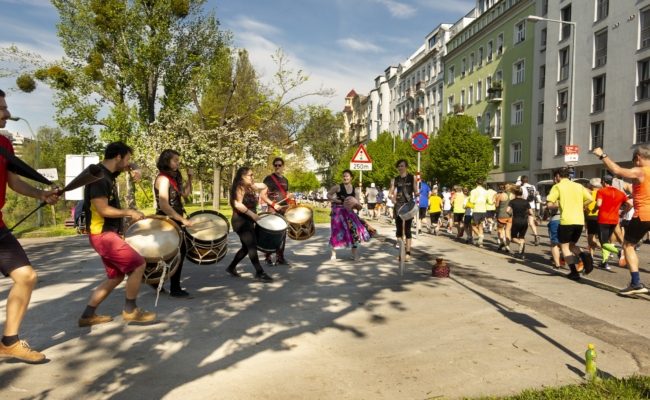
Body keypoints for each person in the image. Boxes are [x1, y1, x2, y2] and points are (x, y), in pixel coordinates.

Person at [0, 89, 60, 363]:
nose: (8, 114)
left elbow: (13, 182)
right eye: (2, 109)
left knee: (26, 276)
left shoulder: (5, 145)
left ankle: (9, 342)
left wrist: (41, 193)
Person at [78, 141, 156, 328]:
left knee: (116, 277)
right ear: (118, 157)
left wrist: (135, 168)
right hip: (103, 235)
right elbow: (102, 209)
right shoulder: (99, 178)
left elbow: (129, 166)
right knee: (138, 264)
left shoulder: (108, 172)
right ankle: (131, 310)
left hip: (106, 235)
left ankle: (87, 315)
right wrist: (129, 212)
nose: (129, 163)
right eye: (127, 159)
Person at [592, 146, 650, 294]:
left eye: (633, 161)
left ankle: (636, 283)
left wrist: (602, 155)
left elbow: (617, 170)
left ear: (638, 158)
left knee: (628, 245)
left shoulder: (641, 170)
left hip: (644, 214)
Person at [153, 149, 193, 297]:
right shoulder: (163, 179)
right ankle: (174, 288)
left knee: (172, 252)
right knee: (178, 251)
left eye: (178, 160)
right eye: (175, 160)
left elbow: (185, 194)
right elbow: (164, 205)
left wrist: (190, 178)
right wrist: (182, 220)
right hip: (166, 219)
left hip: (174, 218)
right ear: (166, 161)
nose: (178, 162)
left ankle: (155, 281)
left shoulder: (174, 177)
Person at [225, 167, 273, 282]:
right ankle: (259, 272)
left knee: (246, 248)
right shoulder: (239, 187)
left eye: (253, 175)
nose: (252, 177)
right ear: (242, 176)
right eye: (250, 175)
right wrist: (253, 215)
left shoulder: (249, 187)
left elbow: (264, 185)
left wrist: (254, 184)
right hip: (241, 221)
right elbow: (238, 204)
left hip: (248, 220)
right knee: (251, 246)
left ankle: (231, 267)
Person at [546, 167, 594, 281]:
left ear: (557, 176)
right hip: (579, 221)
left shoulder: (557, 186)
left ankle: (574, 271)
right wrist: (582, 206)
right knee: (572, 245)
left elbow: (549, 204)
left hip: (566, 220)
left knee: (565, 247)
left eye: (555, 177)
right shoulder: (578, 186)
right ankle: (584, 255)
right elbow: (590, 198)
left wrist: (560, 203)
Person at [327, 169, 371, 260]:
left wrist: (357, 205)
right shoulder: (338, 187)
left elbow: (358, 204)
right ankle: (333, 254)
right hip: (338, 212)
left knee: (354, 232)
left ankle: (354, 254)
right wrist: (336, 200)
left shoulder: (356, 190)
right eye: (344, 176)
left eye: (347, 176)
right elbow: (328, 194)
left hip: (349, 212)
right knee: (336, 232)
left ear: (351, 178)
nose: (345, 177)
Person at [594, 174, 631, 270]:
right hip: (614, 220)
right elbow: (629, 203)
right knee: (607, 242)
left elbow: (598, 204)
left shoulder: (601, 191)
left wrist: (594, 209)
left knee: (603, 243)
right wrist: (624, 212)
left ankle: (618, 252)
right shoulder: (620, 193)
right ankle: (604, 262)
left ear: (603, 182)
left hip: (603, 219)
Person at [261, 157, 292, 266]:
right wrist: (274, 204)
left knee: (282, 234)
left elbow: (286, 194)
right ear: (273, 166)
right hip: (273, 209)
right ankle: (268, 256)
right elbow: (263, 195)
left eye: (280, 165)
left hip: (284, 209)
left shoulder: (285, 180)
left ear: (283, 166)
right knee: (271, 233)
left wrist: (289, 197)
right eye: (276, 165)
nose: (278, 167)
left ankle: (280, 257)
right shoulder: (269, 179)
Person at [390, 159, 418, 261]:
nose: (400, 168)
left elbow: (415, 191)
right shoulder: (395, 179)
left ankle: (408, 253)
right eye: (399, 166)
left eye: (402, 166)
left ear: (406, 167)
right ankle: (401, 252)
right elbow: (391, 192)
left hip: (408, 206)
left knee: (407, 230)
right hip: (398, 206)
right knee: (398, 231)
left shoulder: (412, 177)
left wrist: (419, 194)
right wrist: (391, 198)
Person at [507, 187, 532, 259]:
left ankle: (519, 243)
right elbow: (531, 212)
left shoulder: (512, 201)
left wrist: (510, 215)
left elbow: (507, 210)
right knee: (522, 237)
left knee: (513, 238)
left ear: (515, 193)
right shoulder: (526, 202)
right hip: (524, 221)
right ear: (522, 194)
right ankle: (521, 254)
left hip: (516, 221)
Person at [584, 178, 602, 259]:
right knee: (593, 238)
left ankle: (605, 248)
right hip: (600, 217)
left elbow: (586, 206)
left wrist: (585, 208)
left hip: (591, 217)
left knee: (591, 239)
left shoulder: (590, 193)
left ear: (591, 185)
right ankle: (591, 256)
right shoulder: (602, 193)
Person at [520, 176, 540, 245]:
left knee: (523, 222)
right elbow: (535, 195)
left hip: (524, 207)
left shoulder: (522, 188)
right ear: (527, 180)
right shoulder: (533, 187)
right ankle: (536, 235)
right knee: (531, 223)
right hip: (532, 206)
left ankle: (522, 237)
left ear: (522, 181)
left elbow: (521, 197)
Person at [495, 183, 513, 253]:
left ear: (504, 188)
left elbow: (496, 205)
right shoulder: (513, 196)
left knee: (500, 230)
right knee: (508, 231)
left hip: (501, 215)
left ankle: (502, 242)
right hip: (510, 215)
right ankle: (507, 246)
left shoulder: (501, 195)